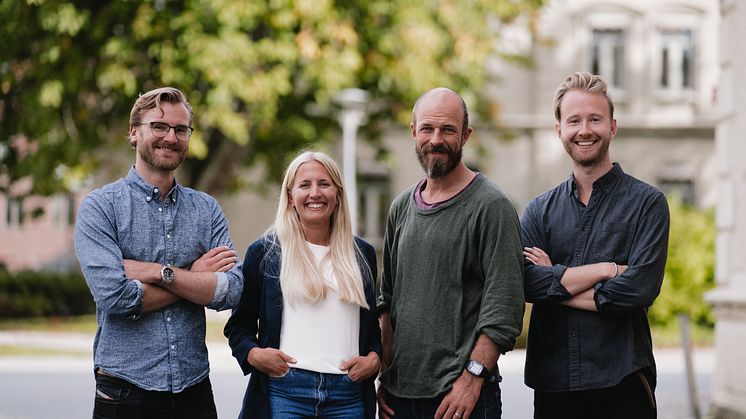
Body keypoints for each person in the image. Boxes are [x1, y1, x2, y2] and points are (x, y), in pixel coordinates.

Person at [74, 87, 243, 419]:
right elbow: (116, 298)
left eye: (181, 129)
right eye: (159, 126)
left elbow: (231, 291)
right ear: (134, 133)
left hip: (194, 391)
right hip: (124, 392)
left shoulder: (206, 209)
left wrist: (157, 273)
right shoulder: (100, 208)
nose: (171, 137)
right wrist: (195, 281)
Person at [520, 72, 670, 419]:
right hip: (553, 385)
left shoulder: (648, 204)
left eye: (595, 119)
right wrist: (606, 270)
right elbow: (527, 283)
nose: (584, 130)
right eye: (573, 120)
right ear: (559, 130)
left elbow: (638, 290)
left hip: (623, 382)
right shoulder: (539, 211)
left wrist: (555, 283)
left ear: (612, 127)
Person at [377, 87, 525, 419]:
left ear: (466, 135)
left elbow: (505, 307)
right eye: (427, 129)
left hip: (462, 398)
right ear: (413, 132)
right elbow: (387, 301)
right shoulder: (401, 206)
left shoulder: (491, 206)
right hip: (398, 399)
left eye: (448, 130)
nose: (436, 139)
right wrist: (385, 375)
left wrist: (472, 378)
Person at [224, 150, 382, 418]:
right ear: (290, 197)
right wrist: (254, 355)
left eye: (324, 184)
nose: (315, 193)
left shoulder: (361, 254)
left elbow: (370, 330)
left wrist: (374, 359)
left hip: (348, 394)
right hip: (286, 391)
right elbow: (239, 326)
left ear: (338, 194)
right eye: (305, 185)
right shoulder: (265, 253)